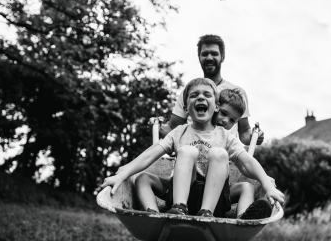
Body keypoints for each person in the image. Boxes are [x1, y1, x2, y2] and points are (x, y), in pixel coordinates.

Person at [101, 78, 284, 218]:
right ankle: (156, 214)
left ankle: (240, 219)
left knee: (236, 174)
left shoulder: (225, 136)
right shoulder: (179, 132)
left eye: (207, 94)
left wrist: (267, 186)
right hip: (181, 193)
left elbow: (248, 162)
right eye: (194, 95)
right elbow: (150, 156)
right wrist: (123, 174)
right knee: (143, 177)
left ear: (216, 106)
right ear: (186, 107)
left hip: (214, 199)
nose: (201, 97)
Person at [159, 34, 264, 146]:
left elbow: (244, 131)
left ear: (222, 57)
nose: (209, 58)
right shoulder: (189, 92)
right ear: (199, 57)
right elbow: (172, 128)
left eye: (214, 53)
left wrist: (254, 136)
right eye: (204, 54)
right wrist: (156, 126)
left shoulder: (237, 92)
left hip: (225, 155)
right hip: (192, 152)